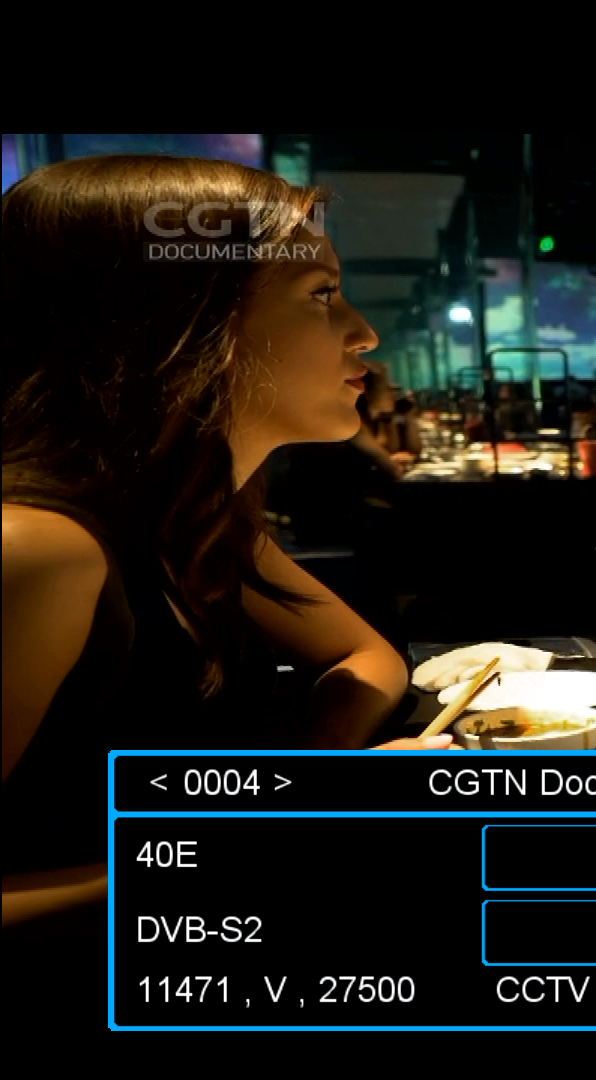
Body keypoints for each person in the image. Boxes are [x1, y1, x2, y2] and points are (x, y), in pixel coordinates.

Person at [2, 157, 457, 1018]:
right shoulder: (36, 550)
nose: (364, 334)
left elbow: (365, 656)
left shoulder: (189, 517)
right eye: (322, 295)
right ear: (180, 318)